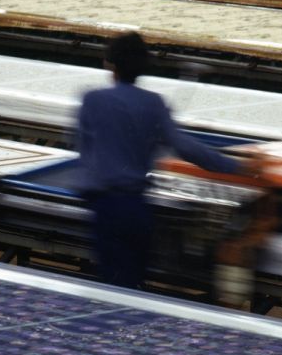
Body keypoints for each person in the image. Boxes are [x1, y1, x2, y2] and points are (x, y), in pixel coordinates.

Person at [76, 31, 249, 289]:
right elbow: (184, 146)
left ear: (109, 63)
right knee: (134, 285)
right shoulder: (154, 103)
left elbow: (84, 151)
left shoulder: (93, 100)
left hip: (106, 208)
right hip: (138, 208)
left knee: (110, 286)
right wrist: (237, 167)